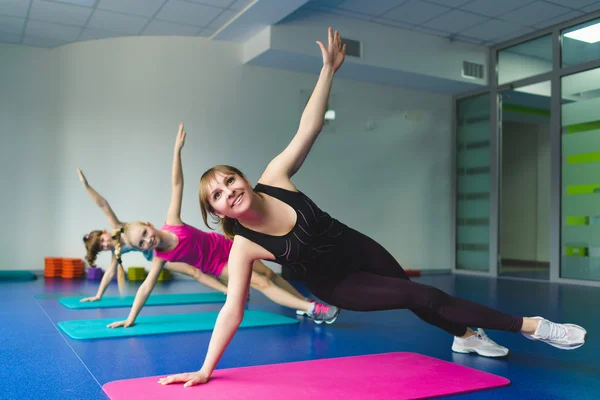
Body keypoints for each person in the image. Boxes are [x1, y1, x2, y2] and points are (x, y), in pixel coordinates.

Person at [158, 27, 587, 388]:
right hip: (337, 283)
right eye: (216, 195)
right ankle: (534, 327)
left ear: (244, 179)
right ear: (220, 214)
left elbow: (308, 126)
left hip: (355, 244)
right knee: (424, 294)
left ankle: (465, 337)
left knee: (418, 297)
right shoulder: (243, 246)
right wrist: (205, 369)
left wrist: (327, 71)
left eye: (229, 180)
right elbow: (232, 309)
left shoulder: (275, 177)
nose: (228, 191)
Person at [106, 123, 338, 328]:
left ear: (149, 224)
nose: (148, 240)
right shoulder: (160, 257)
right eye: (142, 243)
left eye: (145, 233)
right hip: (217, 265)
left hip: (226, 244)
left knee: (269, 273)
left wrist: (176, 152)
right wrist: (130, 317)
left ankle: (302, 304)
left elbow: (177, 183)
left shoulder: (172, 222)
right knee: (259, 282)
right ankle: (313, 309)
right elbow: (145, 289)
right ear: (141, 249)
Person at [78, 168, 229, 300]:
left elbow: (103, 204)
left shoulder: (118, 227)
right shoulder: (115, 252)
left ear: (105, 232)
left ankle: (227, 287)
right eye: (102, 247)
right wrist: (98, 295)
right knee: (194, 272)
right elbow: (109, 274)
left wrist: (86, 186)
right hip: (158, 257)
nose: (105, 244)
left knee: (201, 265)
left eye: (102, 240)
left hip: (163, 244)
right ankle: (226, 291)